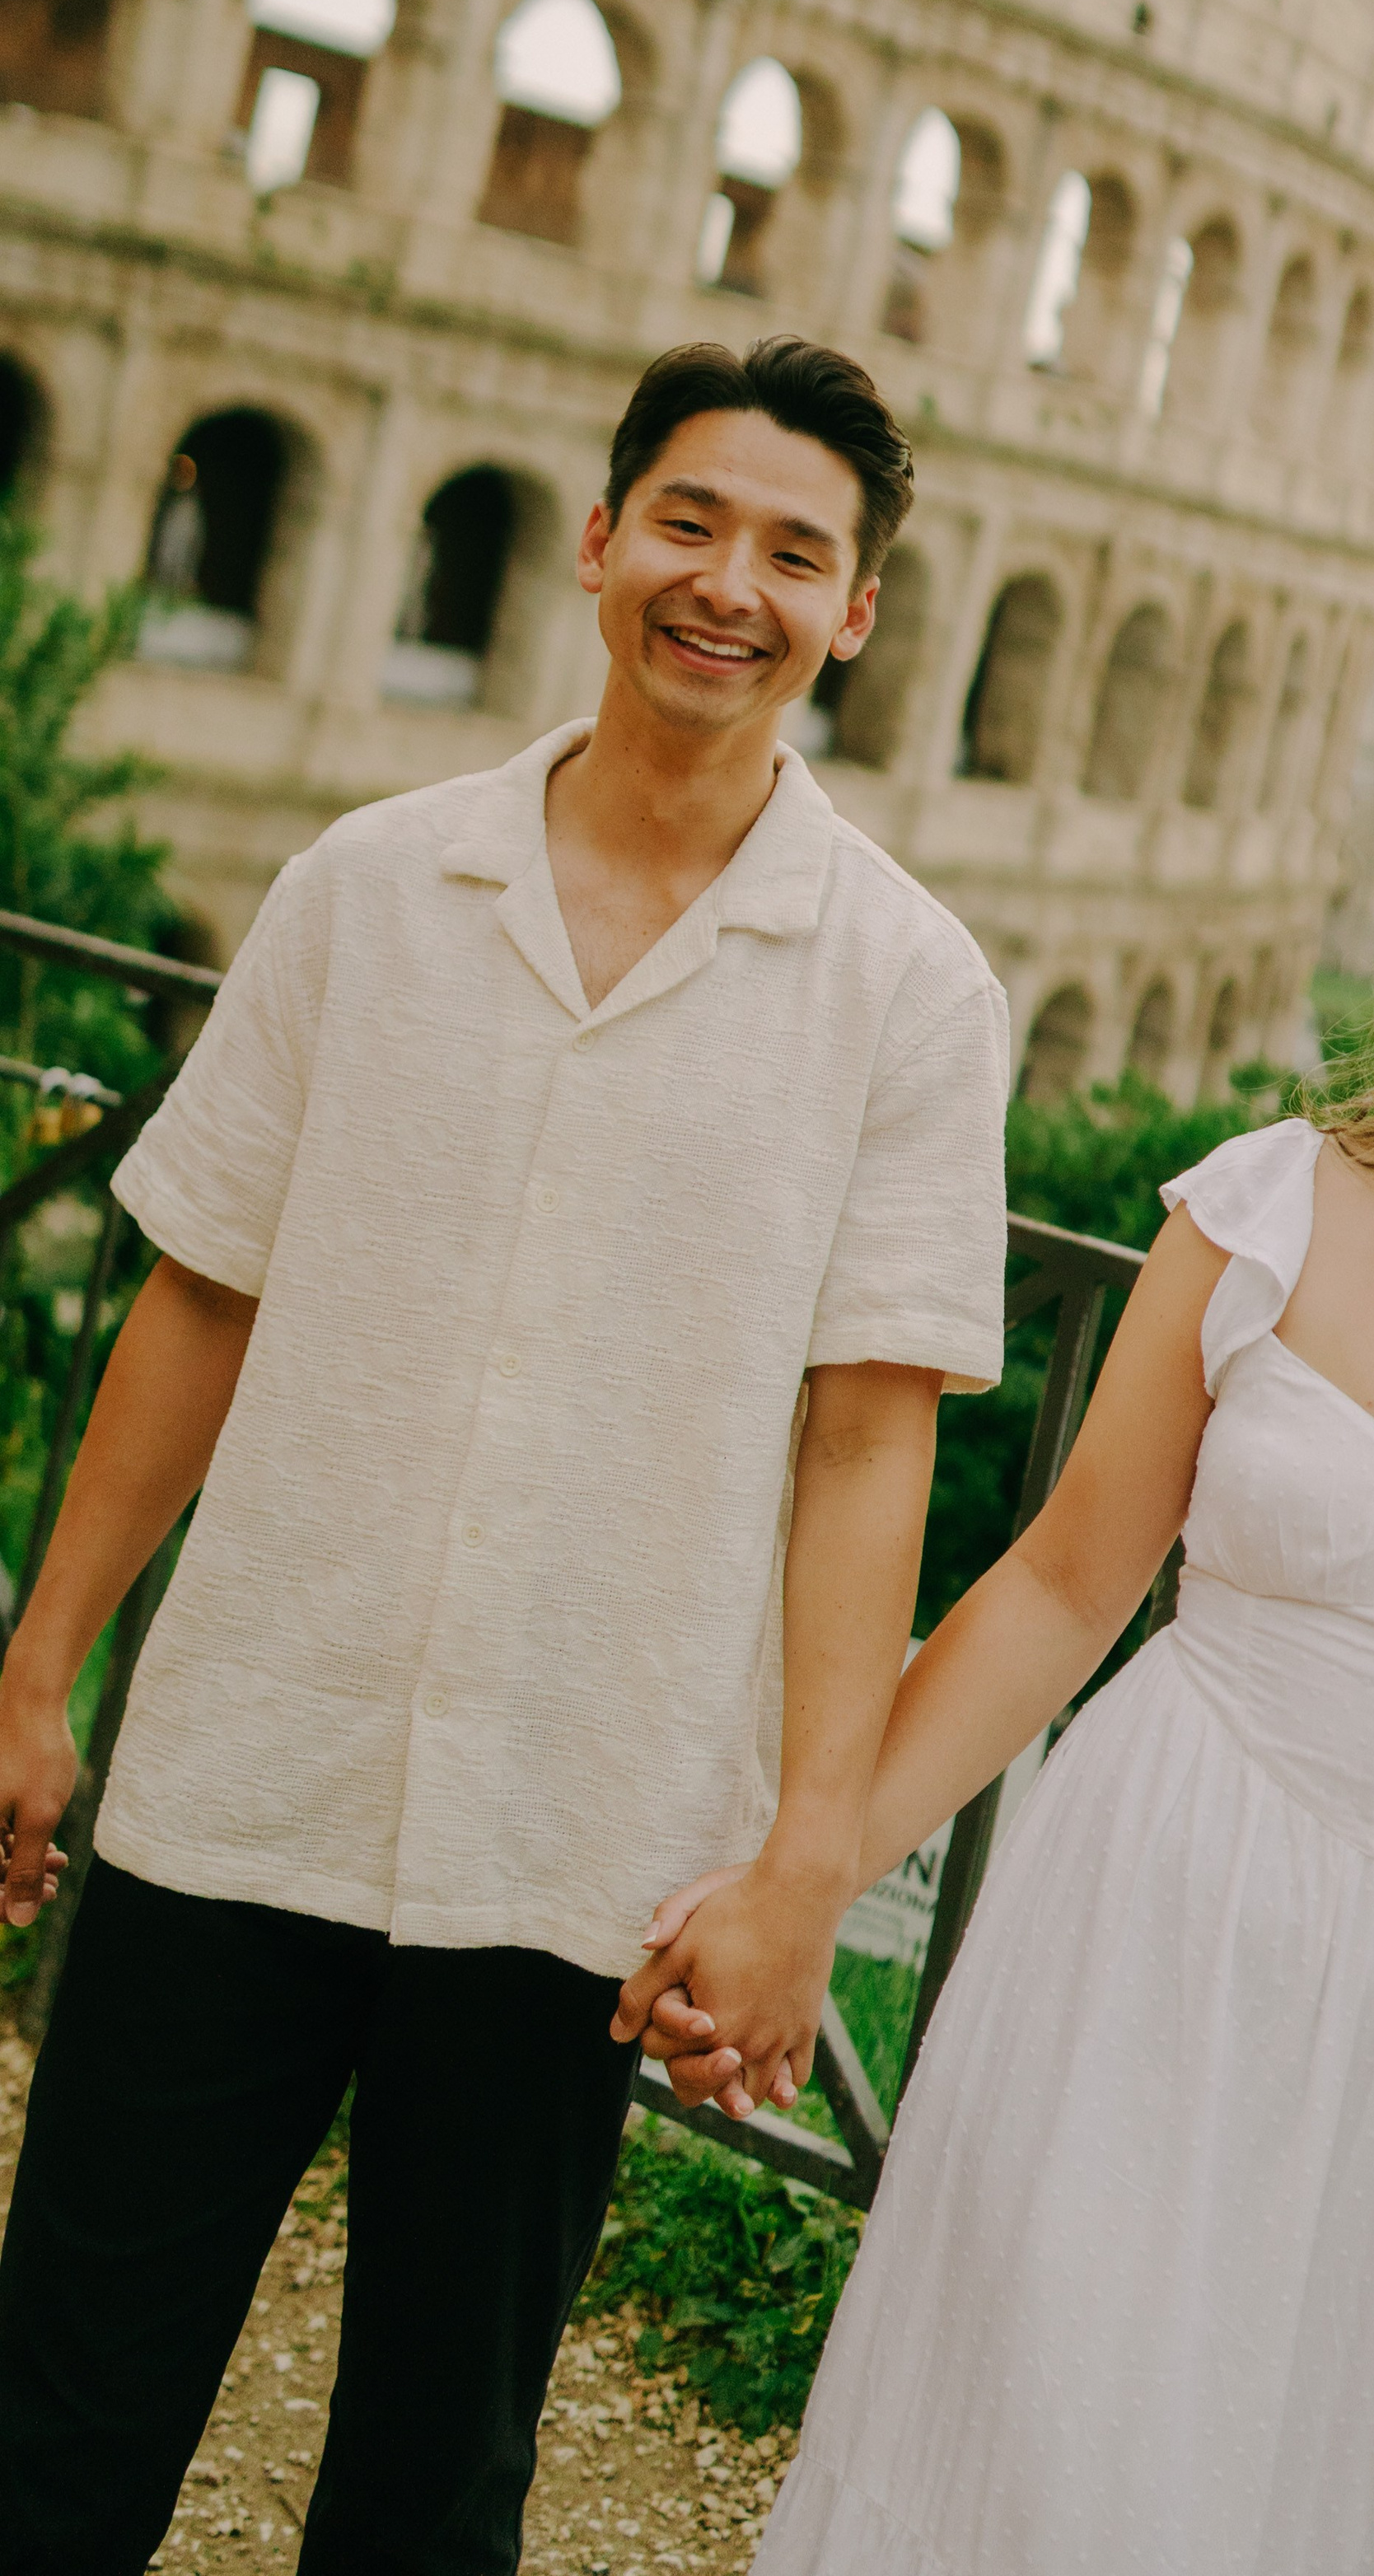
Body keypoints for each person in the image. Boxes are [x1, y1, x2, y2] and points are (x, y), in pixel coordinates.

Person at [629, 714, 1374, 2576]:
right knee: (1036, 2469)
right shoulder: (1261, 1206)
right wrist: (806, 1878)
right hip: (1151, 1938)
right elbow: (1057, 1586)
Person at [0, 336, 1011, 2576]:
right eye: (690, 521)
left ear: (856, 615)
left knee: (433, 2483)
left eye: (793, 553)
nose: (726, 583)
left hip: (578, 1840)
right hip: (244, 1768)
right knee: (58, 2416)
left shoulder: (908, 992)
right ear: (598, 537)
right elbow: (201, 1295)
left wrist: (802, 1864)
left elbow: (870, 1452)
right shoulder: (370, 886)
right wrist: (38, 1665)